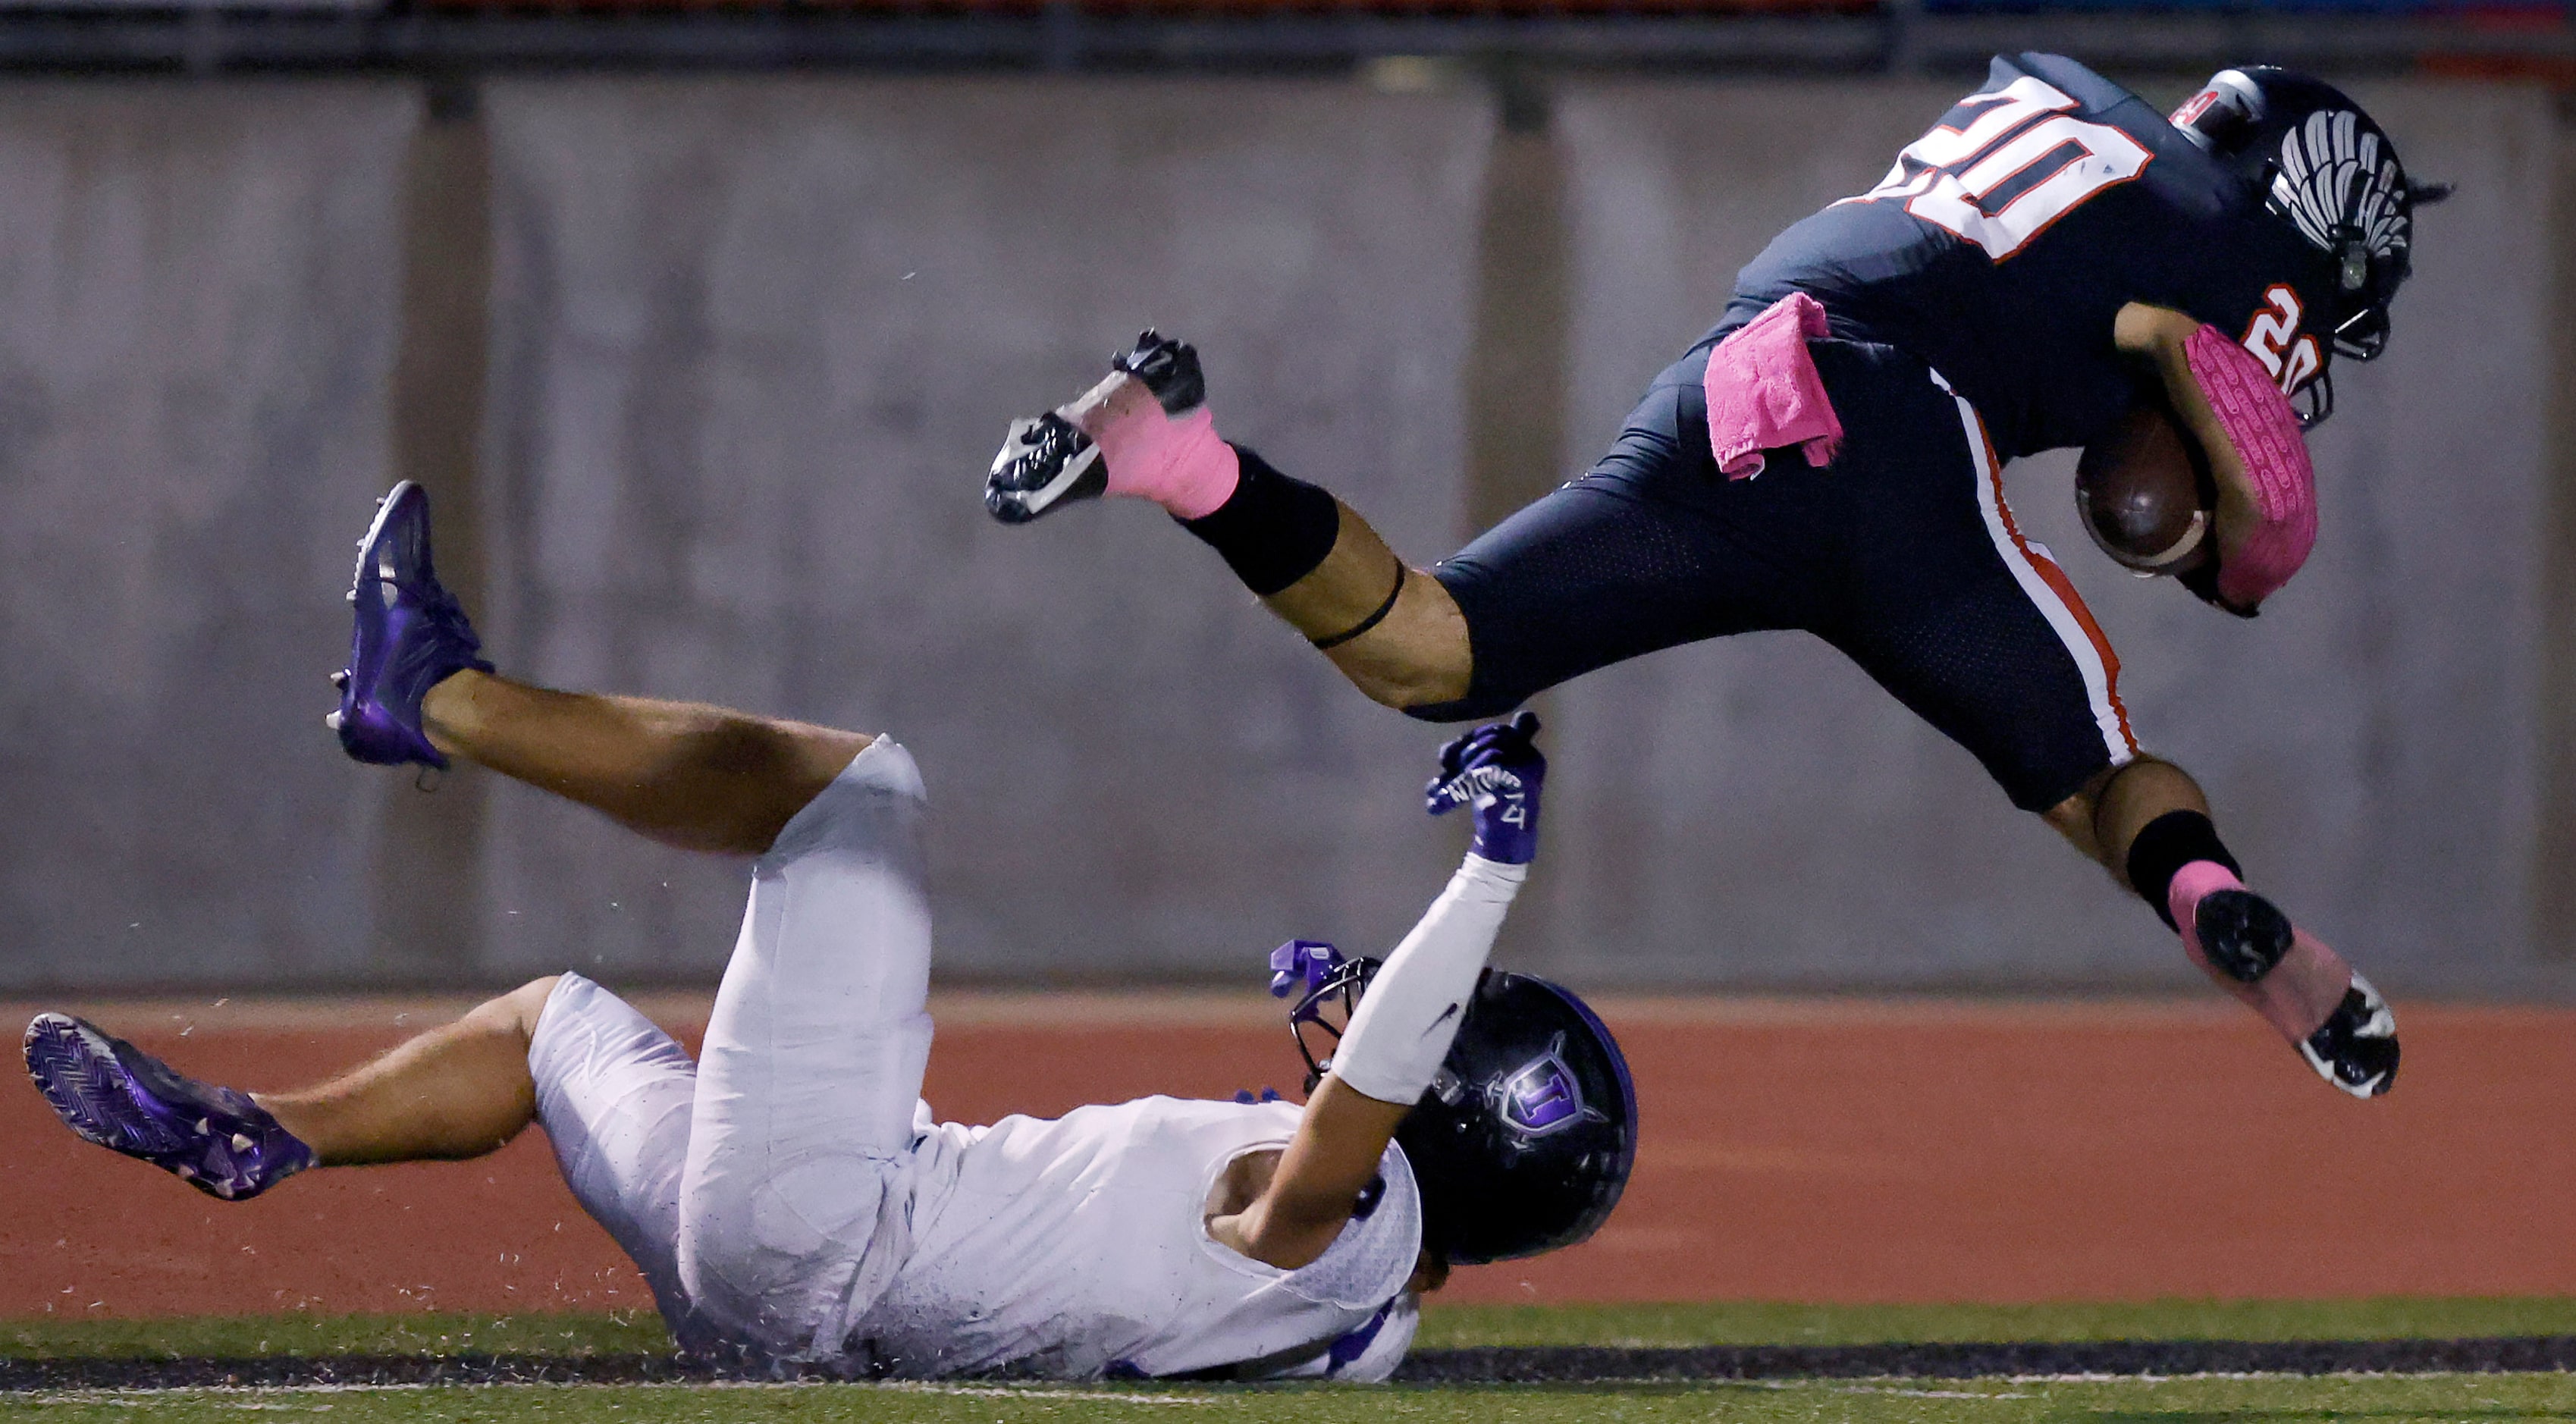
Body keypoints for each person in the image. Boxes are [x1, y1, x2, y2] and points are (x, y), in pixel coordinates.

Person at [986, 56, 2433, 1100]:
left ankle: (1181, 457)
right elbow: (2242, 512)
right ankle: (2211, 904)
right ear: (2323, 210)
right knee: (2096, 772)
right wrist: (2222, 537)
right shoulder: (2231, 242)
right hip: (1895, 424)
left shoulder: (2050, 103)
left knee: (1436, 650)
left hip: (1750, 367)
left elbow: (2063, 293)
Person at [22, 483, 1635, 1381]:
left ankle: (435, 695)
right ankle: (262, 1135)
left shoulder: (1340, 1225)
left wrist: (1488, 870)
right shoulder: (1360, 1331)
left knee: (863, 794)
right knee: (547, 1024)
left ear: (1447, 1112)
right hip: (788, 1316)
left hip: (831, 1225)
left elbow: (1327, 1152)